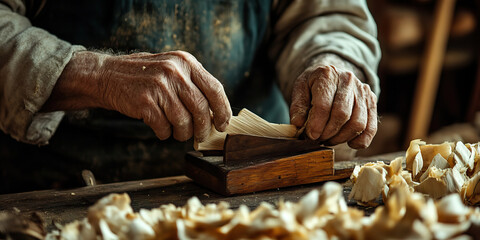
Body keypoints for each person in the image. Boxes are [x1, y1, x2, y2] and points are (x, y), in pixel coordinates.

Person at [0, 0, 380, 192]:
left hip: (257, 177)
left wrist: (331, 63)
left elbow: (328, 15)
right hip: (58, 181)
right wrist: (97, 75)